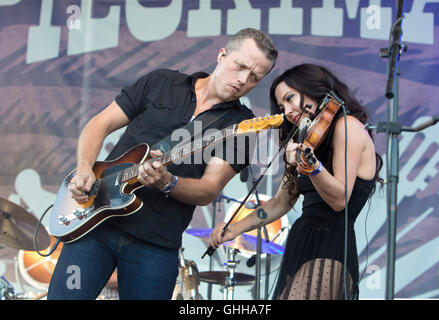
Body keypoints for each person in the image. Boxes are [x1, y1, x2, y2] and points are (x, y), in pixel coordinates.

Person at [47, 28, 278, 300]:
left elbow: (209, 189)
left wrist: (168, 182)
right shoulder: (162, 82)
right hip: (95, 224)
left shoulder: (242, 126)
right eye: (240, 67)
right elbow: (101, 123)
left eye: (254, 78)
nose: (243, 80)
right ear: (222, 55)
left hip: (156, 243)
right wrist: (85, 168)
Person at [209, 63, 383, 300]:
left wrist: (312, 167)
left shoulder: (347, 126)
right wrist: (234, 228)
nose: (288, 110)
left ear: (313, 88)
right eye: (282, 106)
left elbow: (339, 200)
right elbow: (281, 202)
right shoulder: (307, 143)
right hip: (303, 241)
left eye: (291, 99)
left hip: (331, 246)